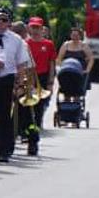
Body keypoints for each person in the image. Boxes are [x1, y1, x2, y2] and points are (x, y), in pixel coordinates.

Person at [0, 7, 34, 164]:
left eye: (4, 20)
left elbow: (21, 63)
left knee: (5, 115)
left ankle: (5, 149)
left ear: (9, 22)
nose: (0, 22)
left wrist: (20, 83)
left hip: (7, 78)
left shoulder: (16, 40)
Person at [22, 17, 59, 155]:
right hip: (27, 78)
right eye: (33, 27)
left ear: (42, 29)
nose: (35, 30)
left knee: (37, 113)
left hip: (41, 79)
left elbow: (51, 64)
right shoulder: (24, 43)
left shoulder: (48, 44)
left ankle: (34, 141)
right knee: (25, 112)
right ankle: (27, 134)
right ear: (29, 28)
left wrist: (50, 82)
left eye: (38, 27)